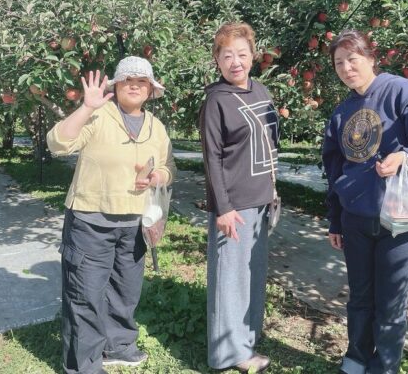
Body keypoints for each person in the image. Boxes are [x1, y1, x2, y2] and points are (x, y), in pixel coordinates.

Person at [322, 30, 408, 374]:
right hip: (356, 221)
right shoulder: (342, 112)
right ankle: (356, 358)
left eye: (353, 59)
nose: (346, 68)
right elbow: (333, 169)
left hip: (403, 221)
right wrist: (335, 219)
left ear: (371, 58)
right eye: (339, 63)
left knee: (390, 303)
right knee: (360, 298)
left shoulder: (403, 92)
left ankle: (383, 367)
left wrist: (406, 155)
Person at [47, 56, 176, 374]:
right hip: (91, 221)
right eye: (127, 80)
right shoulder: (98, 114)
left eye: (142, 81)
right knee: (86, 295)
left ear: (150, 90)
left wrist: (157, 177)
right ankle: (84, 366)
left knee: (124, 291)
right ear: (116, 86)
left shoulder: (156, 127)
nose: (134, 85)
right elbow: (58, 143)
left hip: (134, 223)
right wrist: (85, 107)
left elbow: (168, 167)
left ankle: (117, 346)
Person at [200, 22, 279, 373]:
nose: (236, 62)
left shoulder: (261, 91)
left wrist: (272, 190)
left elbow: (269, 144)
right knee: (230, 281)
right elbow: (212, 157)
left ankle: (246, 339)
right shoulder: (216, 101)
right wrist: (223, 208)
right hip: (234, 205)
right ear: (217, 60)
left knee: (252, 274)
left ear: (253, 56)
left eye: (242, 54)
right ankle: (228, 354)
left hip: (261, 200)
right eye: (227, 55)